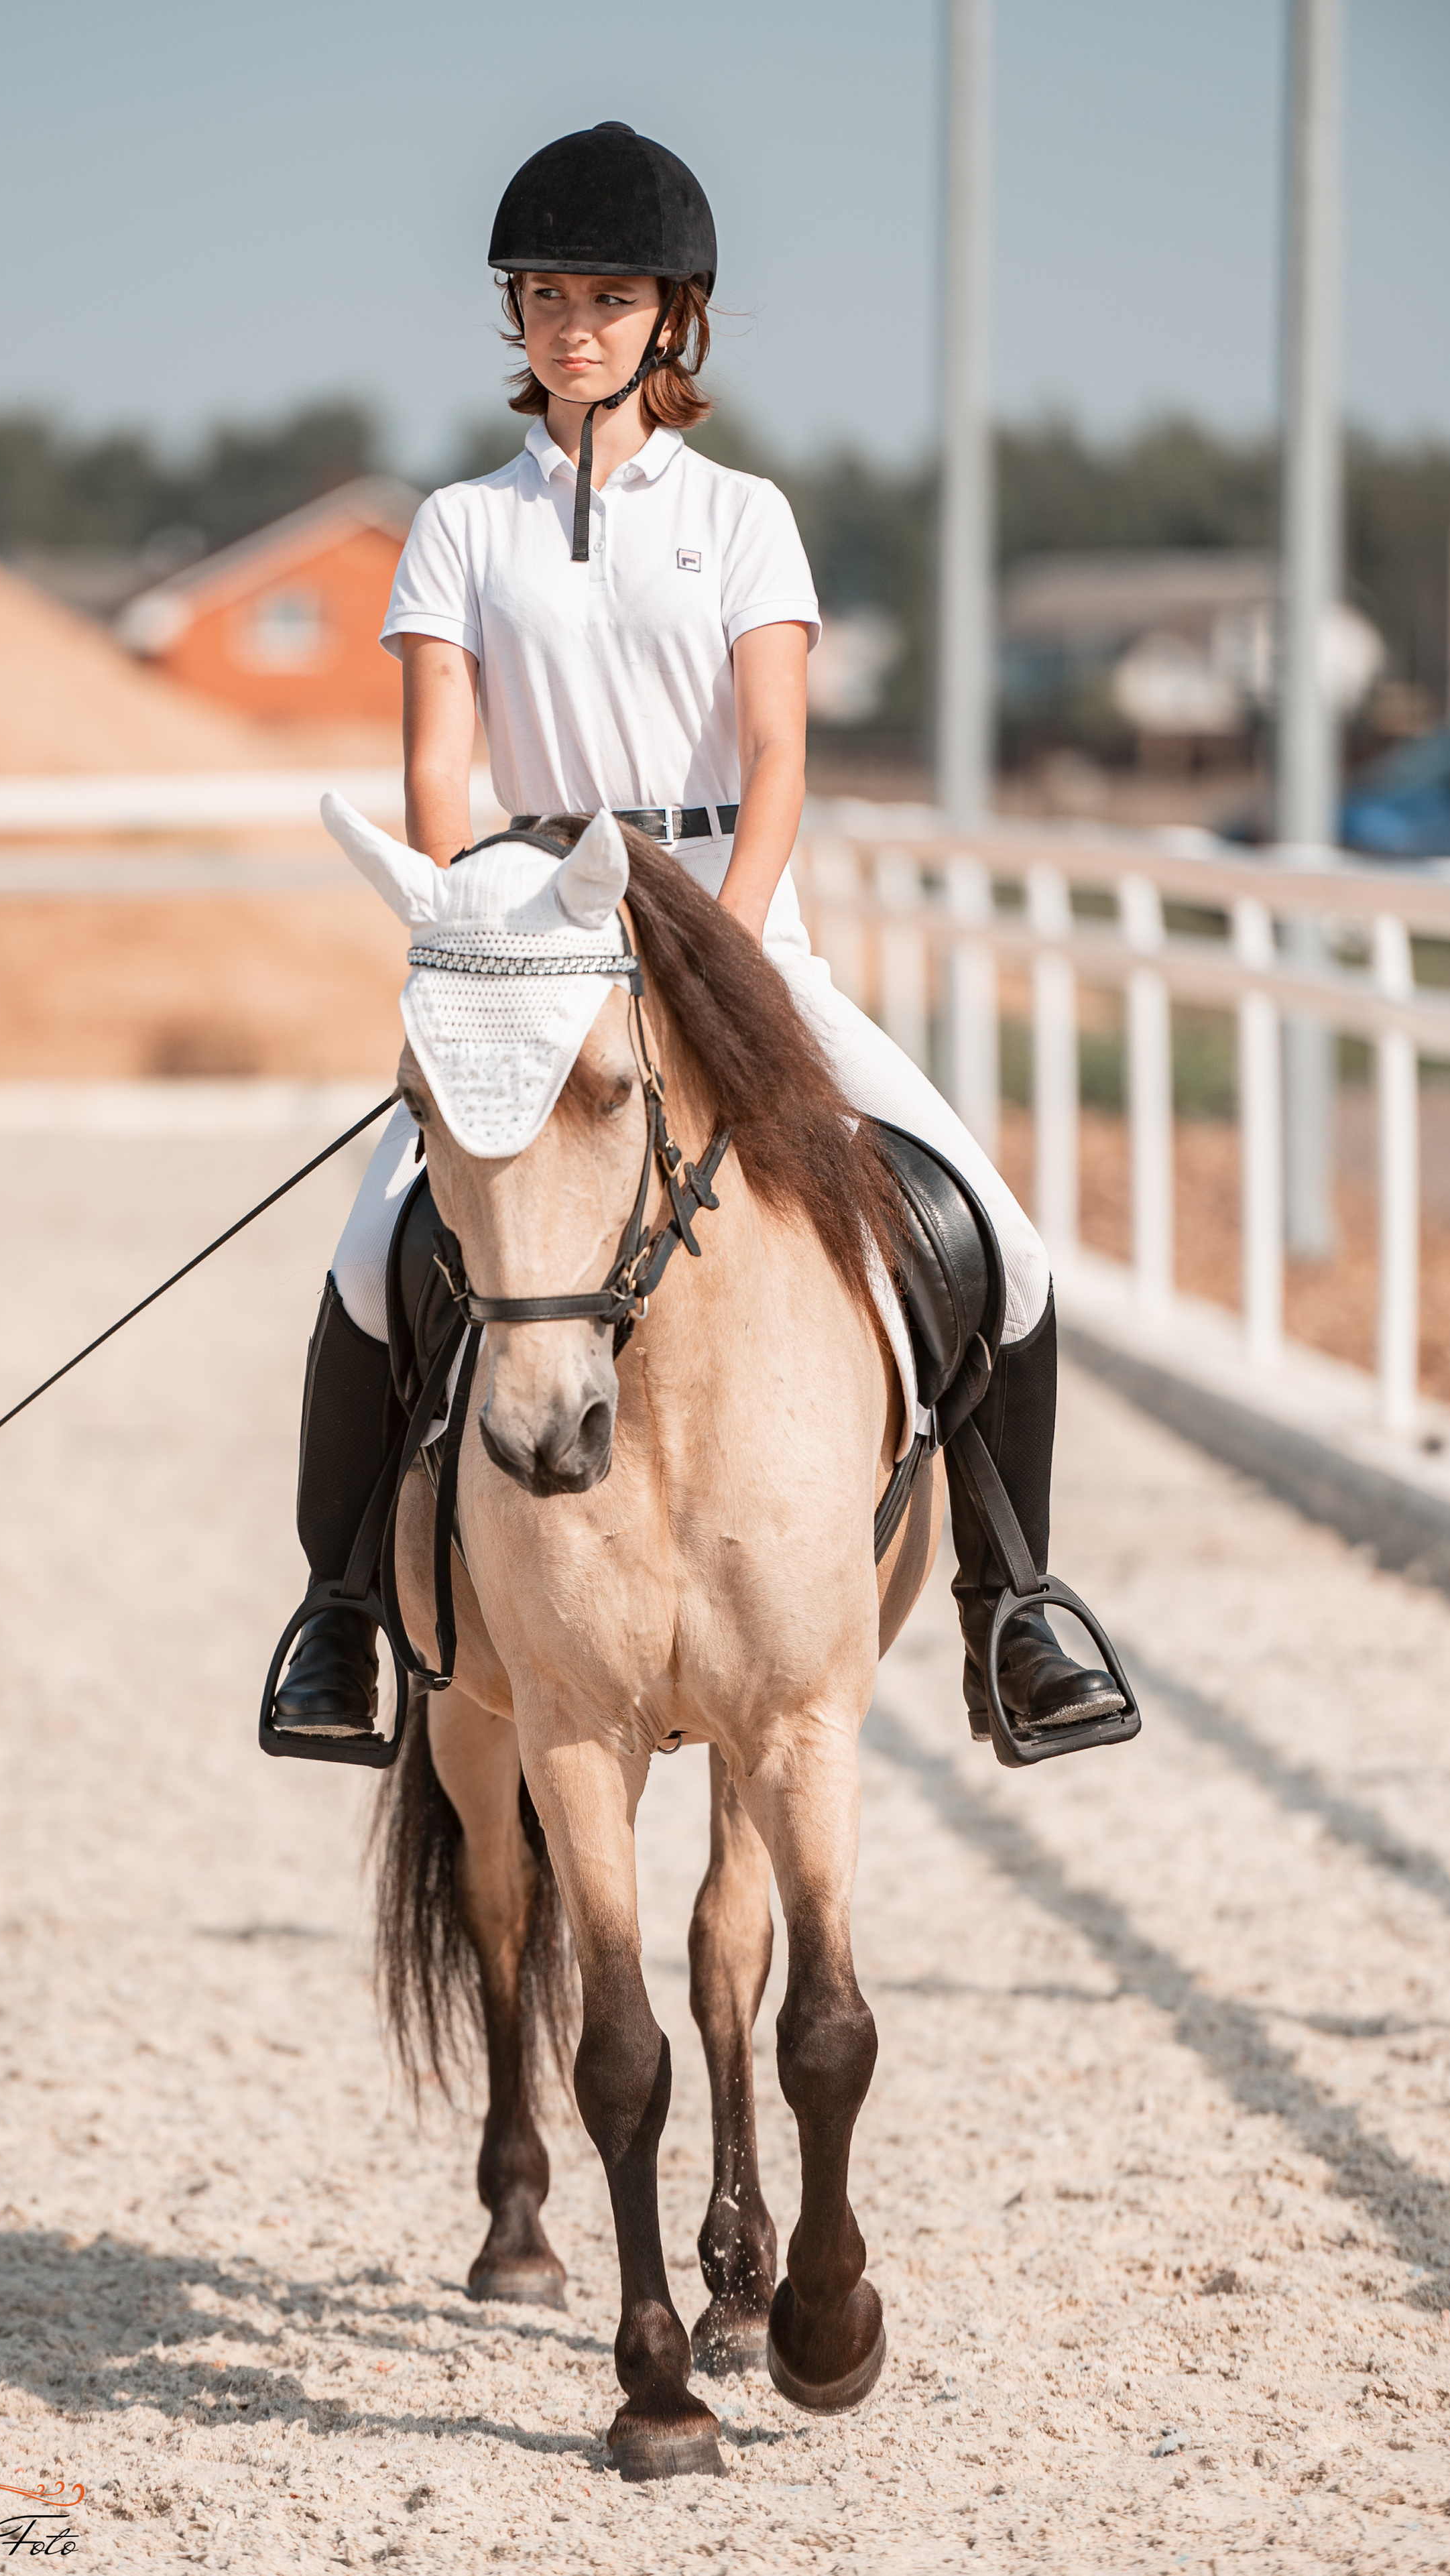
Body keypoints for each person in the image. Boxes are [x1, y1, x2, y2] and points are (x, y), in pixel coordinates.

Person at [272, 121, 1123, 1748]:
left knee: (995, 1239)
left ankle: (1010, 1605)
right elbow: (437, 767)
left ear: (675, 316)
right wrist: (475, 939)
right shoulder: (459, 523)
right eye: (544, 296)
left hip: (738, 934)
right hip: (535, 945)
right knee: (371, 1256)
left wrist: (724, 960)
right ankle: (342, 1614)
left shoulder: (741, 516)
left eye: (607, 297)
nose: (571, 326)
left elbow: (778, 754)